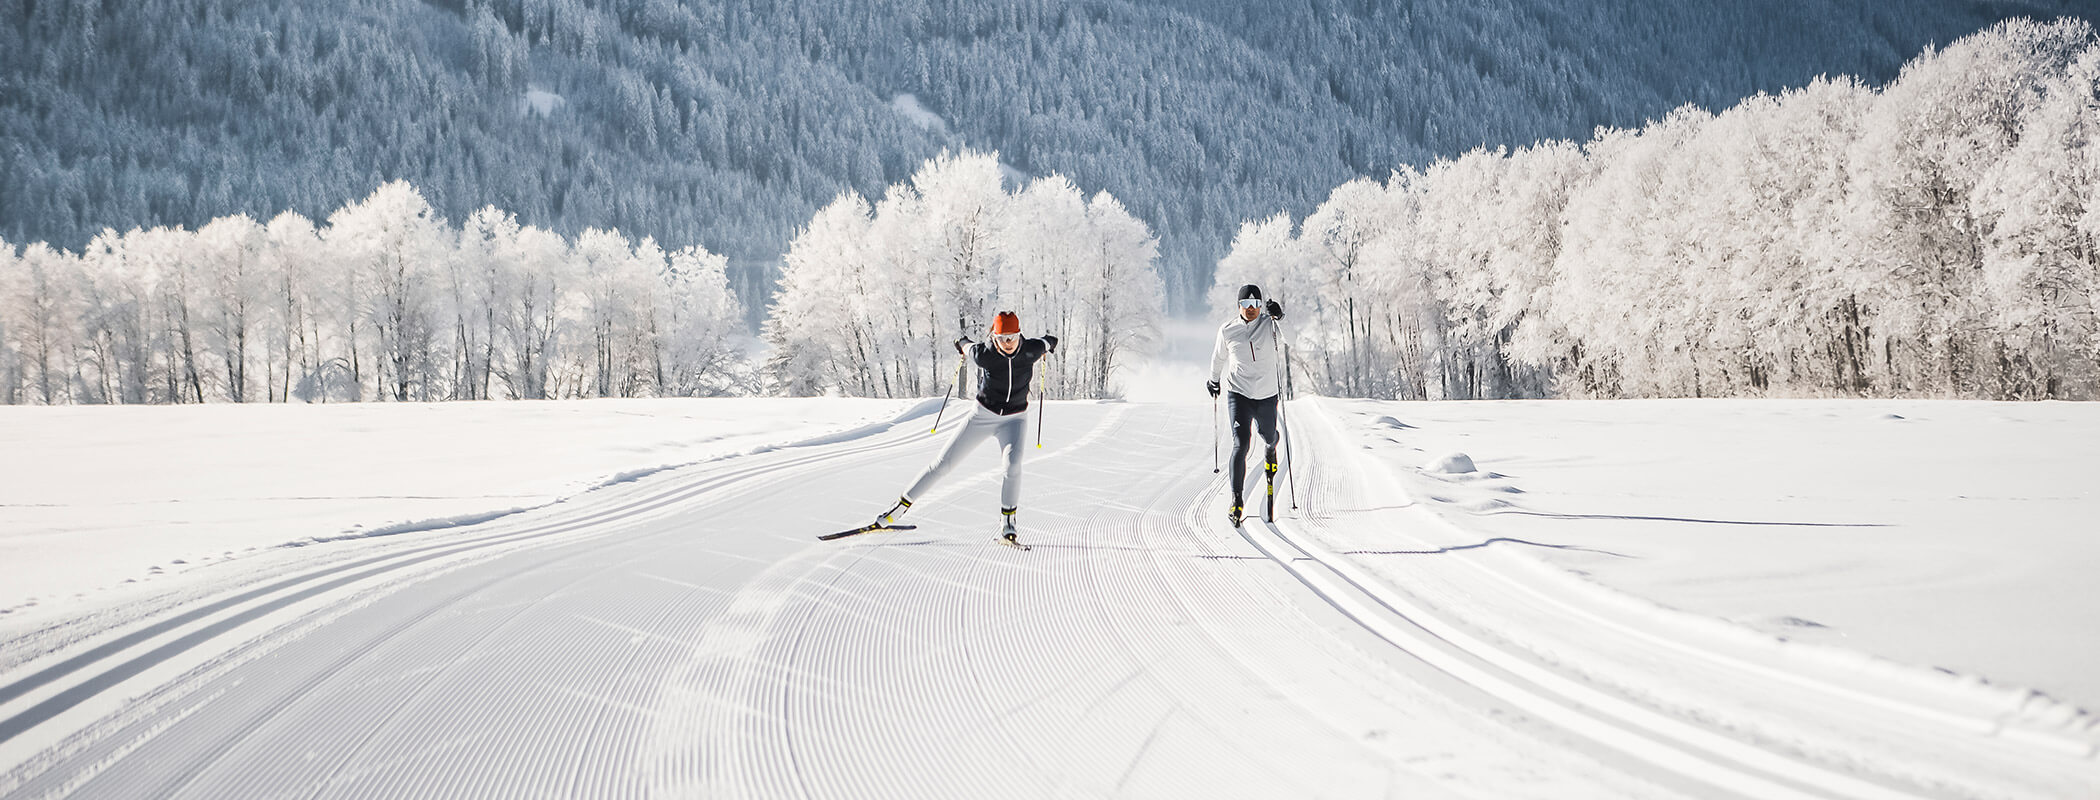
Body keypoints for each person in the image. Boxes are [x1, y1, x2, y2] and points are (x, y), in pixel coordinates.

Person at [871, 311, 1058, 548]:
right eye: (1002, 338)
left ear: (1019, 335)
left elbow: (1047, 341)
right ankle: (895, 511)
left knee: (1012, 467)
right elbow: (967, 346)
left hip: (1015, 420)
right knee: (943, 464)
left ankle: (1008, 527)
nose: (1008, 343)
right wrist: (960, 343)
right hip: (982, 416)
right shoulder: (985, 355)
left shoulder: (1031, 350)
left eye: (1012, 337)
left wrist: (1051, 343)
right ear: (994, 336)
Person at [1207, 284, 1285, 526]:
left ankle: (1271, 447)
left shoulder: (1271, 325)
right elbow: (1218, 356)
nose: (1251, 309)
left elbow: (1290, 339)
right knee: (1241, 444)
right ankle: (1236, 500)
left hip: (1266, 395)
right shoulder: (1228, 330)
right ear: (1238, 306)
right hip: (1238, 394)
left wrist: (1280, 317)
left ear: (1261, 306)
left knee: (1268, 435)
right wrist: (1213, 379)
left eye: (1255, 305)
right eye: (1246, 305)